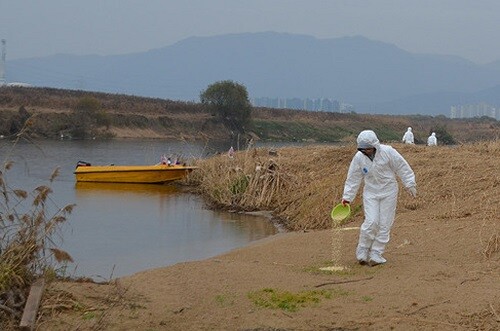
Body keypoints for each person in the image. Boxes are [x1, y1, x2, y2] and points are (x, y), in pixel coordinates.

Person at [341, 130, 417, 266]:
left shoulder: (388, 152)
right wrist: (347, 197)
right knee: (371, 221)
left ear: (375, 145)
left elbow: (402, 167)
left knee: (384, 223)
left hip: (389, 191)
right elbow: (353, 178)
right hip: (371, 192)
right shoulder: (359, 158)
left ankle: (376, 252)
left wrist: (410, 183)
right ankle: (363, 249)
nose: (366, 151)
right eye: (363, 149)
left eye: (369, 148)